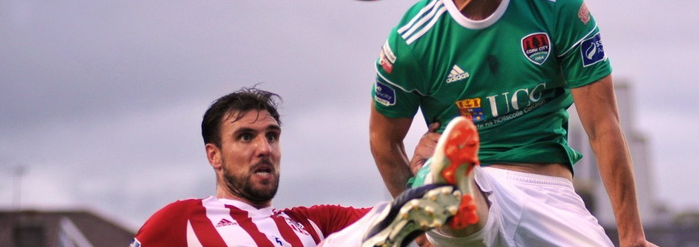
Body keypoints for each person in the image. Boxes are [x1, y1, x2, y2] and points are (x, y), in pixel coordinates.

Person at [368, 0, 657, 246]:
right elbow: (383, 142)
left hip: (548, 192)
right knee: (466, 208)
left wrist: (633, 237)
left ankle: (444, 187)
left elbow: (603, 126)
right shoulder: (412, 42)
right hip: (478, 180)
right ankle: (445, 187)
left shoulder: (558, 8)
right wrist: (419, 236)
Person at [131, 87, 468, 247]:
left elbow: (424, 235)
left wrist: (420, 172)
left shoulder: (313, 223)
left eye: (272, 136)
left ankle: (434, 185)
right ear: (214, 155)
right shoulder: (180, 221)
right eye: (246, 137)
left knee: (403, 221)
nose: (264, 149)